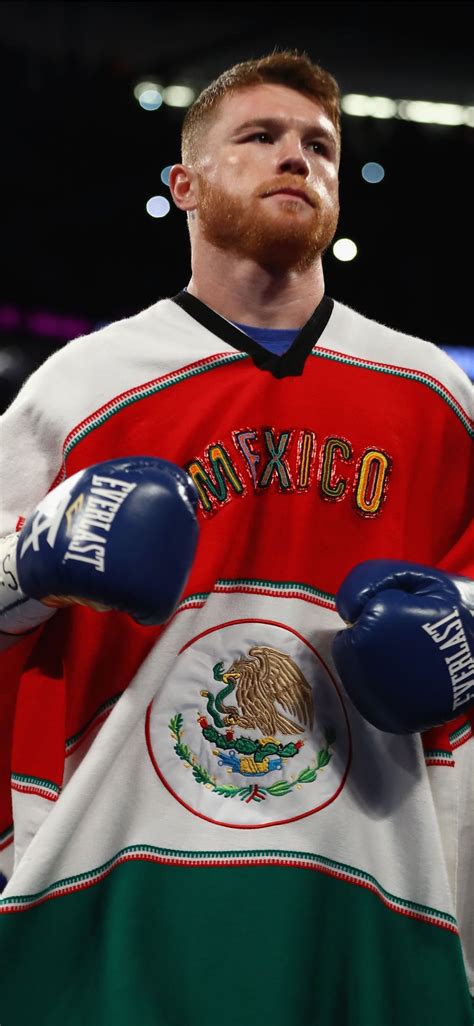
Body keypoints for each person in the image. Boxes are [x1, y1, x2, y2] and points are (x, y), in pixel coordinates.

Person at [0, 50, 473, 1026]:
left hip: (374, 881)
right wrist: (36, 550)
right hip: (116, 875)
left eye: (319, 147)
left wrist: (467, 628)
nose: (295, 159)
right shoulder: (82, 385)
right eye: (260, 138)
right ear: (185, 184)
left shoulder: (434, 395)